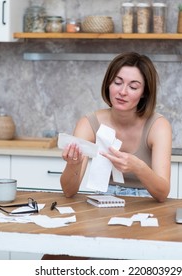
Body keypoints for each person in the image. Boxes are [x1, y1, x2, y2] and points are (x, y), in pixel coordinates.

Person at [60, 52, 172, 203]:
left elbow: (162, 193)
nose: (122, 92)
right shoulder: (89, 124)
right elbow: (68, 192)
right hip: (103, 200)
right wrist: (73, 165)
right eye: (117, 83)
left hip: (145, 202)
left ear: (144, 93)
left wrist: (138, 167)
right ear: (108, 84)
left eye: (133, 87)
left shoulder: (158, 126)